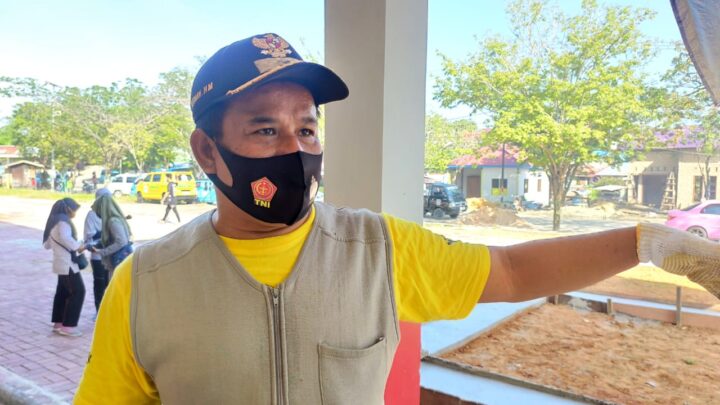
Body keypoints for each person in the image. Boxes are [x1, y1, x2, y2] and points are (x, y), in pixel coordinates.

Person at [75, 33, 720, 404]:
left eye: (307, 128)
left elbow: (512, 270)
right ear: (207, 151)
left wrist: (647, 242)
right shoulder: (147, 284)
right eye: (265, 130)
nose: (296, 149)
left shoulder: (378, 249)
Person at [42, 198, 86, 337]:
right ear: (68, 209)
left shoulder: (54, 221)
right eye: (74, 210)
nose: (75, 213)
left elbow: (47, 245)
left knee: (62, 293)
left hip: (59, 262)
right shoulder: (63, 222)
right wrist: (79, 246)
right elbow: (67, 240)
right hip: (67, 264)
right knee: (78, 291)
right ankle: (68, 326)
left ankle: (58, 323)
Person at [88, 194, 133, 280]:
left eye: (97, 211)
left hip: (119, 261)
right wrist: (98, 243)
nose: (97, 214)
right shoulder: (117, 219)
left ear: (102, 210)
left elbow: (121, 241)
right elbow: (113, 238)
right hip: (121, 261)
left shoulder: (113, 221)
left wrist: (103, 251)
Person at [83, 188, 112, 315]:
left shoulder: (112, 213)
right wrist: (107, 235)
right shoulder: (92, 215)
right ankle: (99, 312)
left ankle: (110, 311)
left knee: (111, 284)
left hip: (111, 256)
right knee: (100, 284)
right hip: (98, 257)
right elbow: (89, 236)